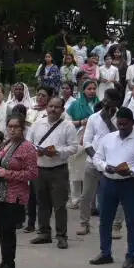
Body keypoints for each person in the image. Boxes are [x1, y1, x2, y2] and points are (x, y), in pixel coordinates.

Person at [89, 108, 134, 268]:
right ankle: (105, 253)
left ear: (132, 123)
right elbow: (97, 158)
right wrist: (105, 167)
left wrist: (132, 171)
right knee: (105, 220)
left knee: (132, 221)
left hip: (130, 183)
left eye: (125, 124)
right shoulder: (108, 138)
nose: (122, 127)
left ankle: (131, 256)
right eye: (119, 124)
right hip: (108, 182)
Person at [0, 114, 39, 268]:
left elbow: (32, 173)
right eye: (10, 126)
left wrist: (7, 173)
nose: (13, 130)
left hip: (14, 194)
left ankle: (10, 265)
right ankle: (4, 261)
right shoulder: (7, 143)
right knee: (0, 228)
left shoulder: (28, 148)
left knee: (8, 230)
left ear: (23, 129)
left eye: (16, 127)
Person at [29, 96, 78, 248]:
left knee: (59, 205)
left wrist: (57, 152)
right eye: (50, 106)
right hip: (40, 169)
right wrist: (36, 151)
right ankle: (44, 233)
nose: (53, 109)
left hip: (59, 170)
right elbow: (29, 143)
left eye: (57, 107)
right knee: (42, 203)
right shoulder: (37, 124)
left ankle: (61, 236)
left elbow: (74, 147)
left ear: (62, 110)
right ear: (46, 107)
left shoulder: (68, 126)